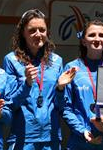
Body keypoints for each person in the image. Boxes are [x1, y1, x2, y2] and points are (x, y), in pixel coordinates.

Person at [3, 8, 77, 150]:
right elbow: (11, 104)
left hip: (51, 137)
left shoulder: (56, 61)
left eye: (42, 30)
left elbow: (61, 106)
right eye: (32, 30)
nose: (38, 34)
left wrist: (60, 88)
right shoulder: (12, 60)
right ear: (23, 33)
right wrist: (27, 84)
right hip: (23, 138)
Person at [61, 19, 103, 150]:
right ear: (83, 41)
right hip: (80, 142)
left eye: (101, 35)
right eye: (91, 35)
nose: (97, 39)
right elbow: (66, 108)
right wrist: (82, 131)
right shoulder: (72, 68)